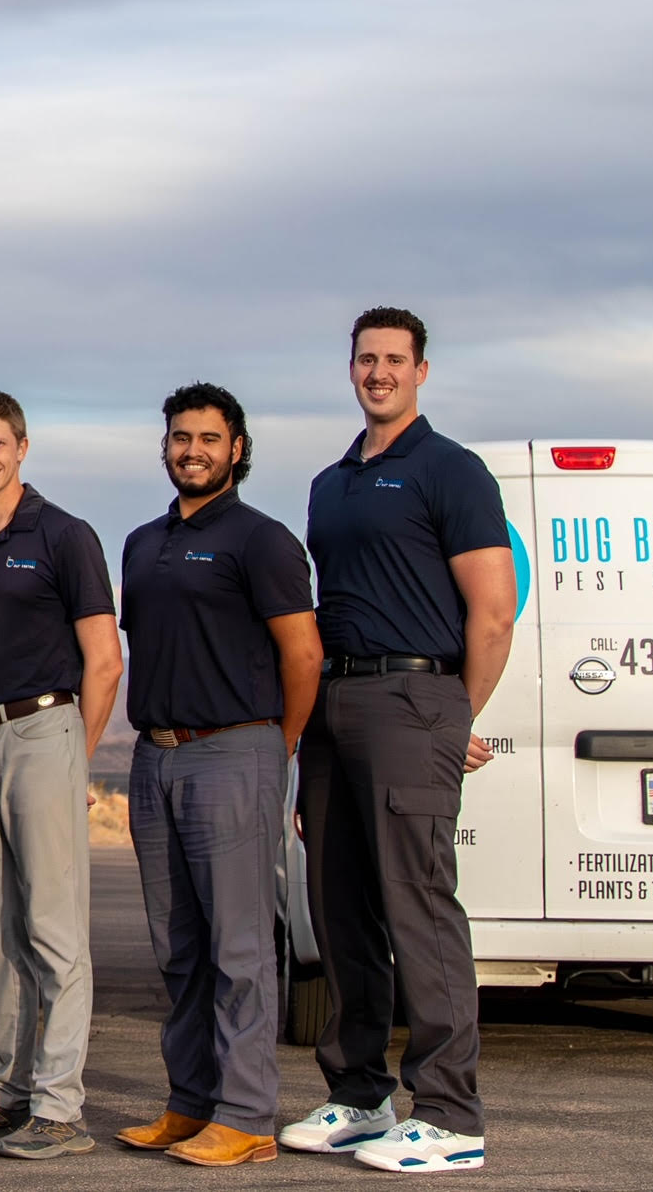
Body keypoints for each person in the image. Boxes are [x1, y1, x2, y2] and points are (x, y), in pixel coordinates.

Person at [284, 310, 515, 1174]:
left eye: (394, 359)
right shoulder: (330, 483)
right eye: (365, 359)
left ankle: (451, 1114)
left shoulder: (451, 470)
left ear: (421, 371)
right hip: (335, 701)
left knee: (418, 903)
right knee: (339, 905)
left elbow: (494, 611)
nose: (378, 372)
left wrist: (452, 716)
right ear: (350, 369)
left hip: (413, 696)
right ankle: (358, 1096)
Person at [111, 384, 321, 1168]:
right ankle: (191, 1102)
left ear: (236, 449)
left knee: (239, 947)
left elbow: (303, 654)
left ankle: (247, 1114)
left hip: (234, 752)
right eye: (180, 437)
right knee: (179, 947)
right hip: (155, 756)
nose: (191, 450)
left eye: (207, 438)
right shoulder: (142, 543)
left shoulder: (261, 541)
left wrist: (276, 747)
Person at [0, 390, 120, 1160]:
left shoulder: (65, 537)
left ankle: (60, 1106)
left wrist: (75, 757)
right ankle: (6, 1089)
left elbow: (104, 662)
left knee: (53, 928)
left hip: (47, 730)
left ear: (22, 446)